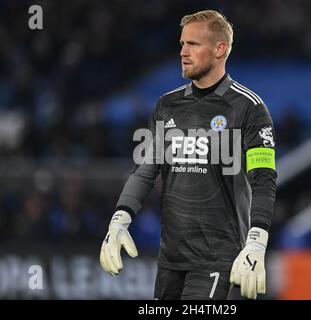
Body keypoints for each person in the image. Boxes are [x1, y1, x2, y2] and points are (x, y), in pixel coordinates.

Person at [99, 10, 277, 300]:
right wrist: (119, 220)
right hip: (170, 256)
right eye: (182, 44)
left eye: (193, 44)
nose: (183, 52)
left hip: (218, 255)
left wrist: (257, 242)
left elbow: (264, 179)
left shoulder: (250, 108)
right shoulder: (166, 105)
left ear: (220, 49)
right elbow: (145, 168)